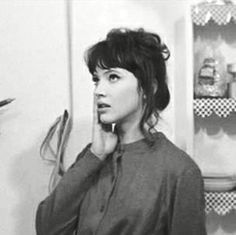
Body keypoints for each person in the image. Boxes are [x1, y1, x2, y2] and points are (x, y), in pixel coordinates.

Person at [36, 28, 206, 235]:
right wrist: (95, 155)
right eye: (96, 80)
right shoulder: (92, 156)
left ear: (148, 87)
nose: (98, 90)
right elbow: (47, 229)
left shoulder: (180, 171)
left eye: (113, 77)